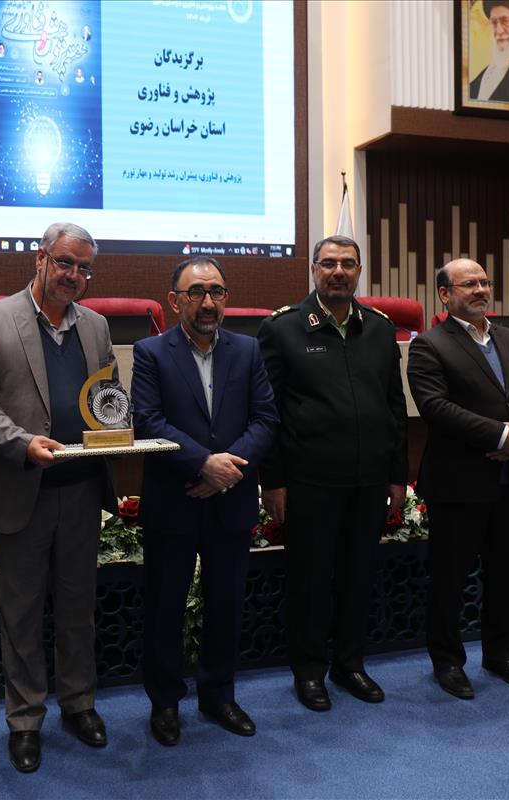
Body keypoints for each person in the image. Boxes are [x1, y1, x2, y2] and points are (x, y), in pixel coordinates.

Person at [0, 222, 118, 773]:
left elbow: (107, 397)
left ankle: (79, 703)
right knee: (21, 614)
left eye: (84, 268)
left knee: (78, 609)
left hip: (81, 491)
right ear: (40, 258)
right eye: (66, 262)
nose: (74, 275)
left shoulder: (95, 325)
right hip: (20, 491)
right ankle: (25, 719)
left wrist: (120, 426)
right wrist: (23, 444)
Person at [131, 257, 278, 746]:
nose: (208, 302)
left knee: (226, 604)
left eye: (216, 291)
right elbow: (148, 420)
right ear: (175, 301)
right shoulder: (151, 352)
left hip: (229, 499)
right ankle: (165, 702)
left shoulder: (248, 350)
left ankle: (219, 696)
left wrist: (225, 471)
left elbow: (266, 419)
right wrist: (203, 464)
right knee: (165, 607)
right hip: (174, 499)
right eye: (196, 292)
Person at [257, 234, 408, 712]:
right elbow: (267, 412)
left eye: (347, 263)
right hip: (309, 481)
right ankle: (308, 670)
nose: (338, 271)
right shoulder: (283, 328)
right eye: (328, 264)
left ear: (359, 271)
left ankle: (349, 663)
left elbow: (394, 407)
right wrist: (272, 481)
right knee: (311, 581)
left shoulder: (380, 329)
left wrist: (397, 475)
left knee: (358, 577)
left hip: (369, 480)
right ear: (314, 270)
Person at [406, 259, 509, 699]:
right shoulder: (428, 345)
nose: (480, 289)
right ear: (445, 294)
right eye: (468, 284)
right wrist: (502, 435)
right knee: (449, 580)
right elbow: (436, 408)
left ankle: (501, 655)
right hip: (459, 483)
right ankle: (448, 661)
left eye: (484, 282)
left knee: (506, 576)